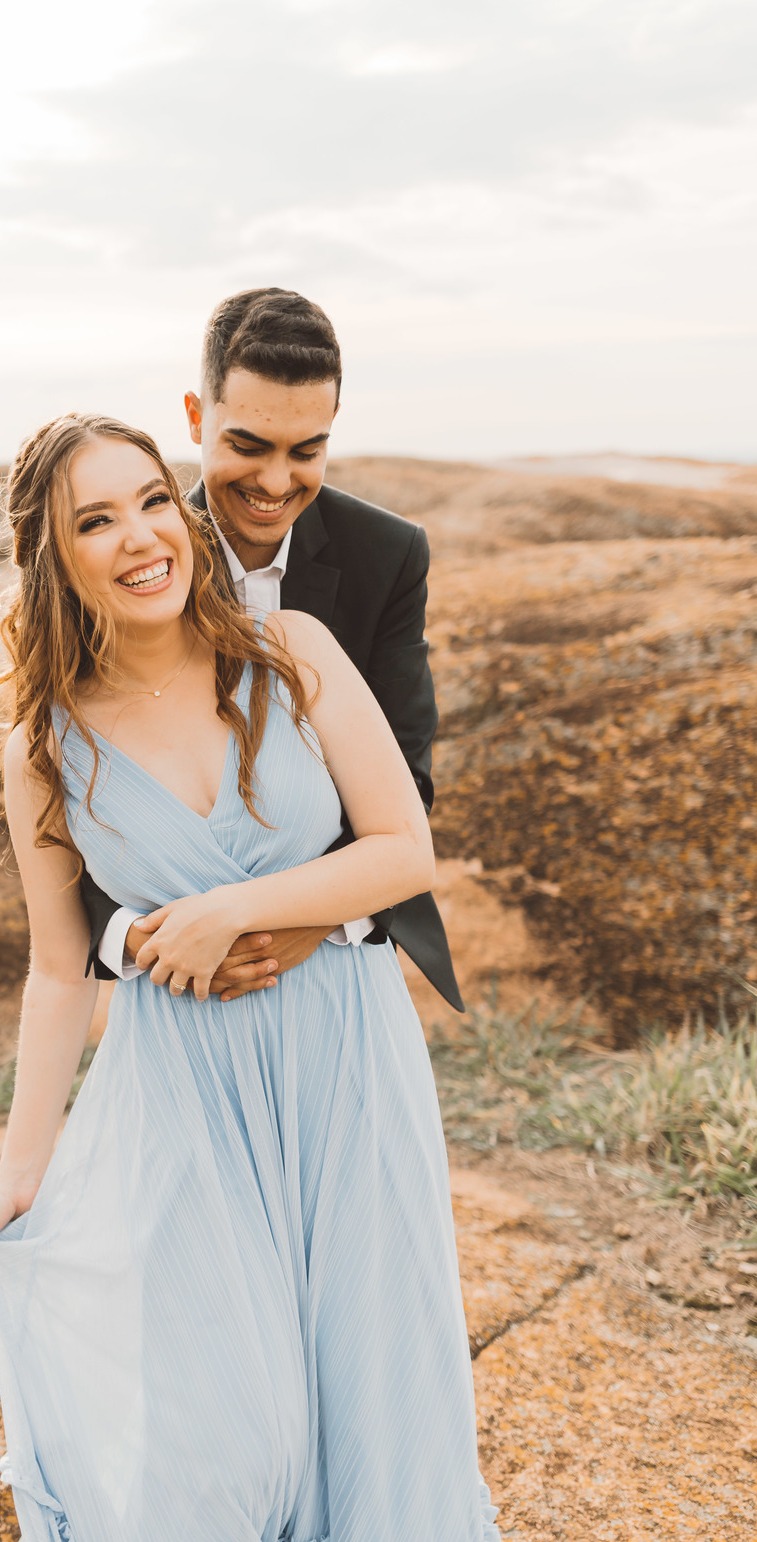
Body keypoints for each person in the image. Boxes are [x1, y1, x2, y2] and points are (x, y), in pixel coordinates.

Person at [0, 410, 499, 1542]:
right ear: (51, 560)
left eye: (150, 505)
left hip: (345, 1060)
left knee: (362, 1372)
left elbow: (401, 847)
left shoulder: (291, 653)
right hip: (182, 1088)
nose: (140, 541)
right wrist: (21, 1173)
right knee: (219, 1412)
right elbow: (59, 973)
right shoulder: (43, 743)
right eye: (96, 522)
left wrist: (235, 905)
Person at [81, 287, 464, 1013]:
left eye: (306, 451)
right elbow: (72, 787)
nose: (275, 483)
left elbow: (405, 781)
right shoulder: (134, 562)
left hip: (341, 961)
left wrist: (304, 917)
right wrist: (133, 939)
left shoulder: (388, 554)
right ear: (196, 417)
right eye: (247, 446)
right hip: (176, 982)